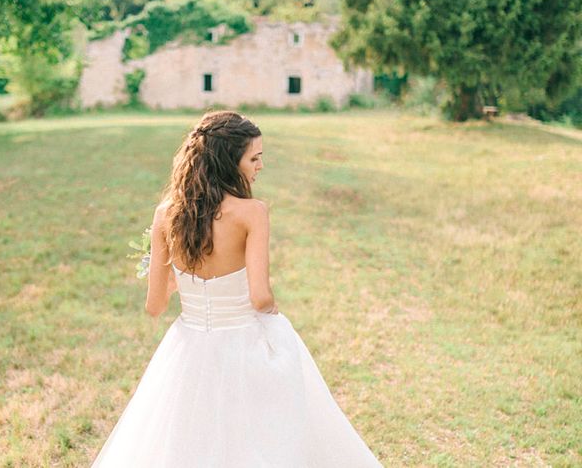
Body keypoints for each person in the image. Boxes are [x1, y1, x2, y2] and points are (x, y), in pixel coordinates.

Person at [90, 110, 384, 467]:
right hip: (244, 342)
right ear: (230, 162)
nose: (261, 165)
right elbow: (260, 297)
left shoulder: (166, 214)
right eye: (255, 158)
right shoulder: (251, 212)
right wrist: (273, 313)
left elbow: (155, 306)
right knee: (259, 437)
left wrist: (183, 284)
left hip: (189, 347)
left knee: (191, 439)